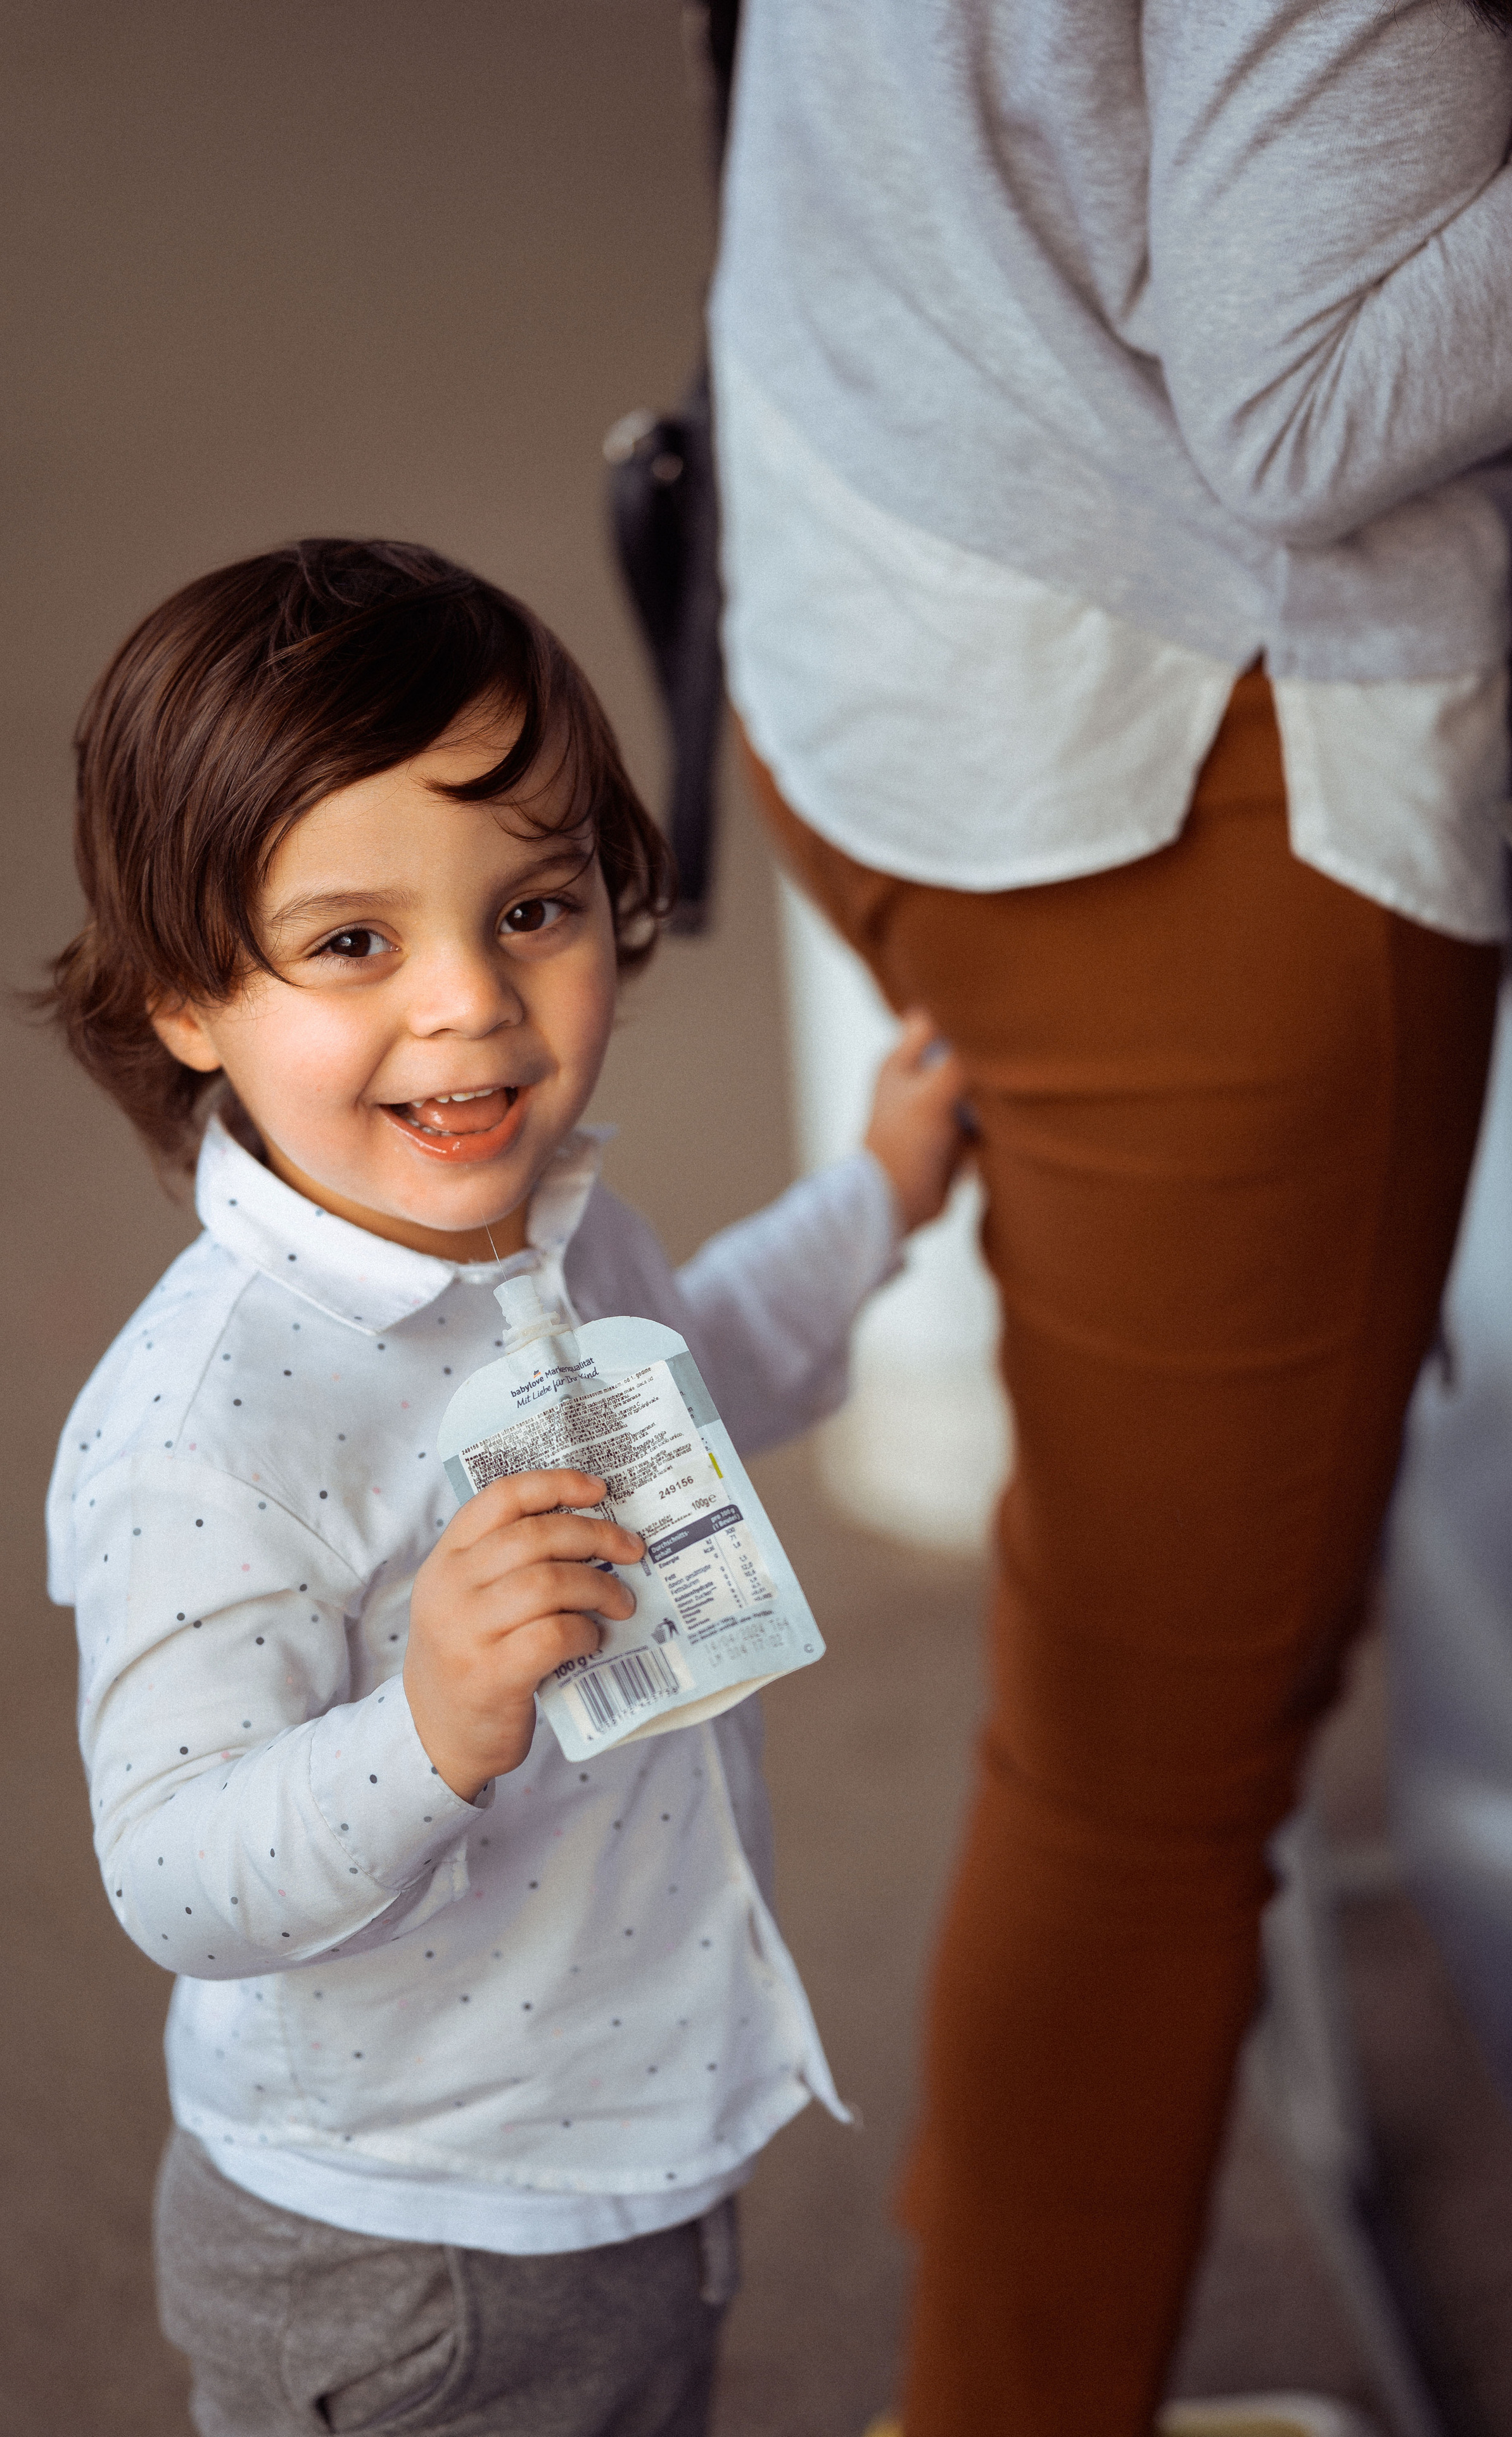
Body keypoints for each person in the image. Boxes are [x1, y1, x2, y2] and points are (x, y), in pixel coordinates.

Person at [706, 3, 1512, 2432]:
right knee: (1145, 1759)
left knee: (1121, 1667)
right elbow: (1302, 398)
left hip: (889, 553)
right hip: (1157, 770)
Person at [42, 537, 967, 2437]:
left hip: (624, 2131)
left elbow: (694, 1367)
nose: (472, 1002)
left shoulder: (552, 1226)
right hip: (408, 2248)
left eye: (534, 909)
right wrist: (431, 1721)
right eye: (357, 943)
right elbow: (172, 1866)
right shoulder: (207, 1427)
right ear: (185, 1002)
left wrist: (876, 1199)